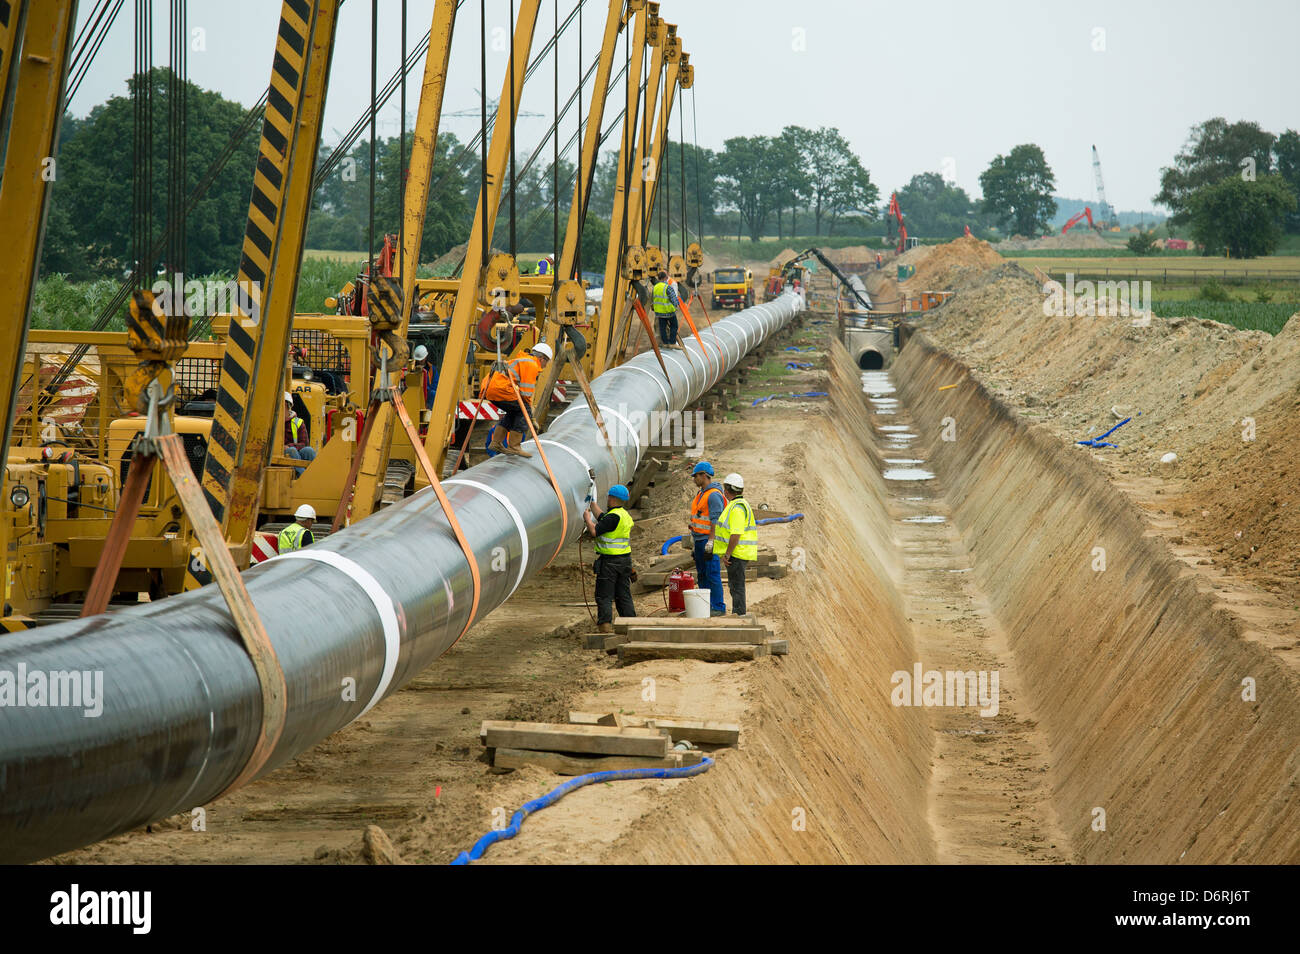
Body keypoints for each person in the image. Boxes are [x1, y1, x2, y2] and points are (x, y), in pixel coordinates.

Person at [479, 342, 553, 458]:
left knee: (514, 411)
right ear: (542, 358)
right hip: (500, 389)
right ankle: (514, 446)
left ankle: (496, 443)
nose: (546, 365)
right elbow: (526, 394)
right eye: (547, 362)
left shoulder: (524, 360)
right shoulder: (531, 365)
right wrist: (530, 416)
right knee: (523, 411)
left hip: (491, 389)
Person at [585, 483, 636, 633]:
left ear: (612, 498)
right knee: (623, 595)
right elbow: (603, 517)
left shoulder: (613, 517)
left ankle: (605, 627)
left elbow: (594, 531)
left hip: (610, 563)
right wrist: (592, 503)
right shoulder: (623, 515)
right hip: (624, 561)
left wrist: (587, 519)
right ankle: (630, 625)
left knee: (604, 596)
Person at [686, 461, 727, 616]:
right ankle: (706, 607)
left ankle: (718, 607)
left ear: (704, 475)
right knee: (702, 574)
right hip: (699, 540)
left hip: (707, 540)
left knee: (712, 574)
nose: (694, 479)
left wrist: (711, 541)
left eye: (695, 476)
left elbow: (715, 521)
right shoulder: (701, 494)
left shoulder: (714, 495)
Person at [719, 472, 757, 616]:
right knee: (736, 585)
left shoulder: (736, 508)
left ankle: (739, 615)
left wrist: (727, 554)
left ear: (727, 490)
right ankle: (738, 613)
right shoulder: (740, 505)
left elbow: (736, 534)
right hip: (740, 552)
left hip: (737, 553)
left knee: (736, 587)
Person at [284, 392, 316, 476]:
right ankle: (304, 478)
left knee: (309, 451)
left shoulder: (297, 422)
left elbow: (304, 444)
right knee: (291, 451)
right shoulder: (271, 423)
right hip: (281, 453)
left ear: (288, 406)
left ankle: (315, 476)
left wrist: (289, 446)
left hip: (293, 451)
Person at [651, 270, 681, 348]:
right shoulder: (667, 287)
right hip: (669, 312)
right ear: (665, 277)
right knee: (674, 326)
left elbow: (653, 299)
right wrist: (676, 305)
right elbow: (674, 299)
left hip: (659, 313)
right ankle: (672, 343)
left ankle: (665, 343)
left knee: (662, 328)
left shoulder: (655, 287)